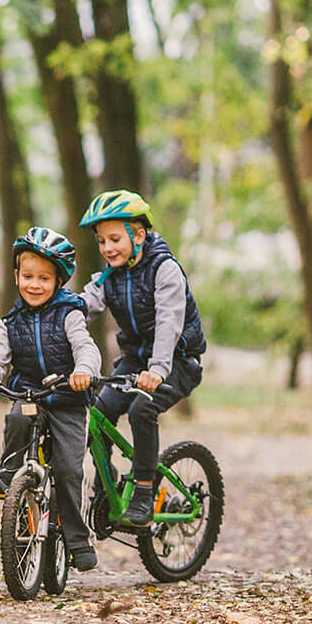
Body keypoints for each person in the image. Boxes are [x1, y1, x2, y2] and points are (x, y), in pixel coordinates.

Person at [0, 227, 101, 572]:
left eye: (44, 278)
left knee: (70, 469)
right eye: (28, 276)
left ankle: (77, 539)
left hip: (68, 399)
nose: (35, 285)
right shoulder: (11, 322)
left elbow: (86, 347)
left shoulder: (69, 314)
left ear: (59, 281)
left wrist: (84, 369)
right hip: (31, 395)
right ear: (16, 277)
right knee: (17, 417)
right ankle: (11, 469)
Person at [77, 190, 207, 528]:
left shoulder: (164, 270)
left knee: (141, 408)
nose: (108, 248)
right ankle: (106, 487)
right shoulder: (110, 276)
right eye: (102, 241)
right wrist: (53, 321)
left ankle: (145, 492)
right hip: (135, 361)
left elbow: (169, 324)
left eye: (115, 239)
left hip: (177, 361)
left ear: (139, 235)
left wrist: (158, 369)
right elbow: (82, 306)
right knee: (99, 410)